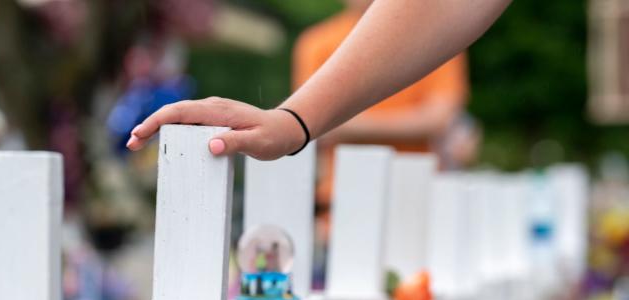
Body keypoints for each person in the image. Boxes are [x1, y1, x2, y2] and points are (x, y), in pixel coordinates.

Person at [126, 0, 512, 161]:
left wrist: (333, 126)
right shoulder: (317, 43)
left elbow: (439, 120)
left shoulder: (438, 45)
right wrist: (295, 121)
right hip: (335, 206)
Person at [292, 0, 468, 208]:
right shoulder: (316, 42)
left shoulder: (439, 38)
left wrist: (346, 125)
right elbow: (310, 123)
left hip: (415, 196)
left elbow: (438, 120)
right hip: (340, 198)